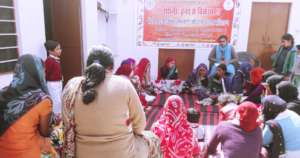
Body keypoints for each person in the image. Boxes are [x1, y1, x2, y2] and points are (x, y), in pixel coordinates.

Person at [62, 45, 159, 158]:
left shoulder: (72, 86)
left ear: (87, 66)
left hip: (83, 153)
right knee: (153, 139)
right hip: (122, 153)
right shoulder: (124, 84)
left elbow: (66, 124)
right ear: (112, 67)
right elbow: (140, 125)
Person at [0, 54, 53, 158]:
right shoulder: (42, 100)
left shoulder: (2, 94)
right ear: (37, 73)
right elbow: (44, 132)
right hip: (27, 153)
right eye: (43, 71)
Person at [44, 40, 63, 114]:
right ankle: (56, 117)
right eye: (57, 49)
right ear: (50, 51)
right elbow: (45, 73)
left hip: (58, 82)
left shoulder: (56, 59)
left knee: (59, 100)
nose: (60, 50)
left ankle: (60, 115)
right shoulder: (49, 61)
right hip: (52, 84)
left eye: (60, 48)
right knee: (56, 101)